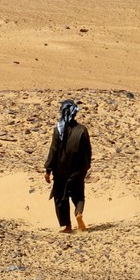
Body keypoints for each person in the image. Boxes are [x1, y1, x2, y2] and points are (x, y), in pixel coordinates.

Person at [43, 98, 92, 233]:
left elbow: (53, 151)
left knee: (60, 197)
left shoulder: (58, 130)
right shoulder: (82, 130)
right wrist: (86, 166)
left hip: (60, 170)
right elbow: (88, 150)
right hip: (78, 169)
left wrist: (48, 170)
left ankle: (67, 226)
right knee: (79, 195)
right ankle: (78, 213)